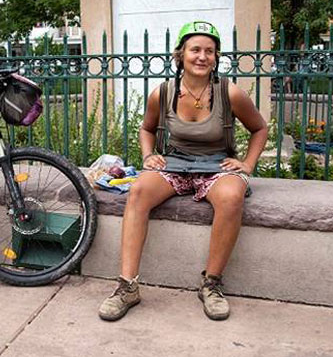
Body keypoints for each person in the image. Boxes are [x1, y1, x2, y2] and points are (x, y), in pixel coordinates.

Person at [97, 21, 268, 322]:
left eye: (210, 51)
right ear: (181, 55)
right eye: (195, 50)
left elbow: (259, 128)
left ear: (216, 57)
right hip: (175, 162)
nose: (202, 57)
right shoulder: (162, 93)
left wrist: (248, 164)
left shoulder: (230, 93)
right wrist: (149, 155)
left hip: (217, 164)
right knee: (138, 191)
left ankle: (211, 284)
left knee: (231, 197)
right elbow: (147, 128)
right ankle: (127, 286)